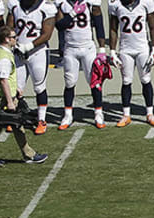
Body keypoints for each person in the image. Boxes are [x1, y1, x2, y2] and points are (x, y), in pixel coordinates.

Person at [55, 0, 107, 129]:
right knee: (70, 82)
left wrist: (102, 49)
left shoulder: (90, 3)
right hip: (70, 48)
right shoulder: (62, 3)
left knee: (95, 81)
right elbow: (60, 26)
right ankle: (68, 115)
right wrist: (72, 13)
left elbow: (99, 25)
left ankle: (98, 113)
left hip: (88, 47)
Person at [107, 0, 154, 126]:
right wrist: (113, 51)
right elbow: (113, 29)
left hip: (142, 49)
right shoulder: (116, 4)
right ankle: (126, 115)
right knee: (126, 81)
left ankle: (150, 113)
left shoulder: (146, 3)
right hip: (126, 49)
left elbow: (153, 27)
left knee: (146, 80)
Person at [8, 0, 54, 134]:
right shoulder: (15, 5)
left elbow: (47, 34)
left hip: (38, 52)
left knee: (39, 86)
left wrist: (28, 46)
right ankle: (12, 117)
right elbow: (9, 28)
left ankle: (41, 119)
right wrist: (14, 45)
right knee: (16, 87)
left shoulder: (46, 7)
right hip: (18, 52)